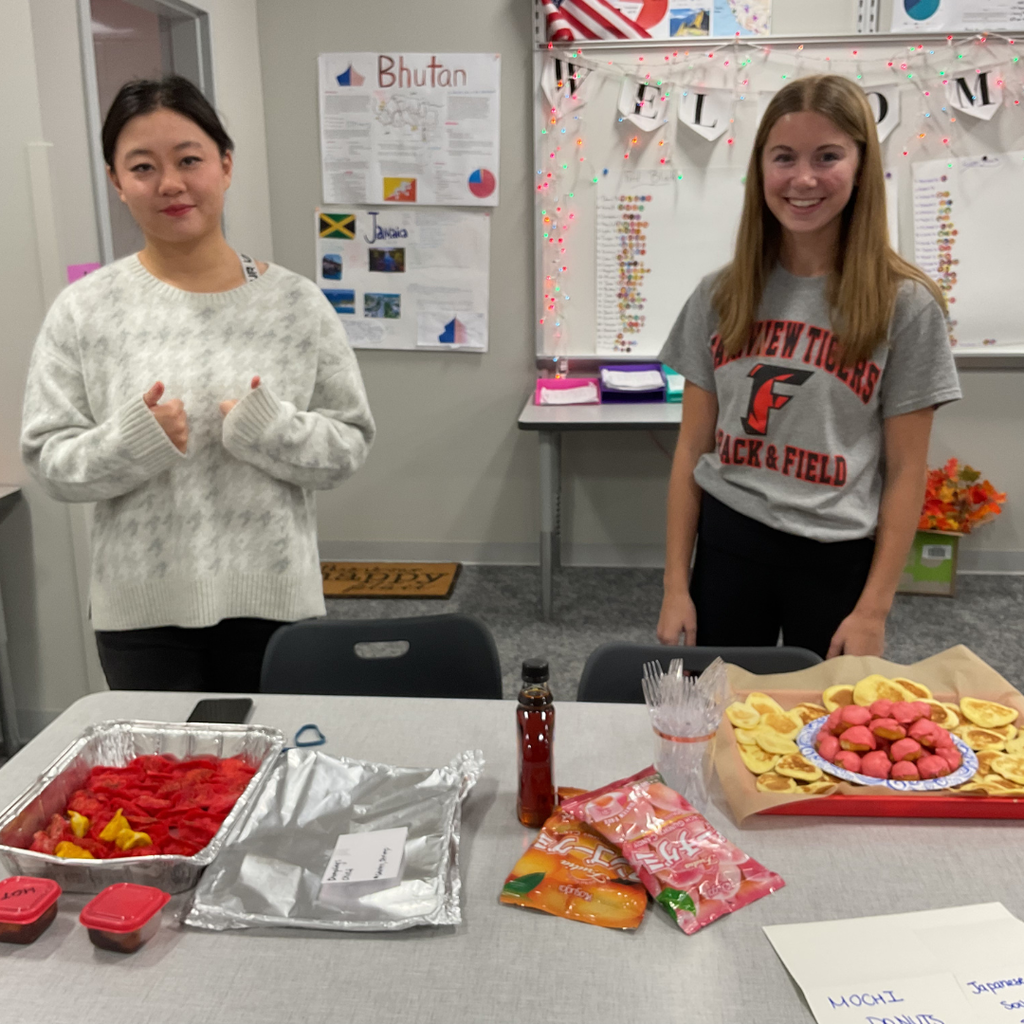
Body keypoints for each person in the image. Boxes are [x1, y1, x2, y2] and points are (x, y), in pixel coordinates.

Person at [21, 76, 375, 691]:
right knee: (163, 784)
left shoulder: (296, 304)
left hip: (276, 604)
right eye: (142, 167)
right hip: (142, 615)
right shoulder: (84, 310)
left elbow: (348, 446)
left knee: (274, 780)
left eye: (189, 160)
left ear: (226, 164)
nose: (170, 184)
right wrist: (131, 441)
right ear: (116, 181)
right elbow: (49, 462)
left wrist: (274, 432)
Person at [656, 74, 960, 660]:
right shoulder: (719, 295)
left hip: (836, 554)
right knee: (715, 723)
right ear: (761, 169)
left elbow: (905, 472)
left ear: (861, 165)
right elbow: (691, 450)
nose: (803, 179)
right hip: (729, 544)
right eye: (784, 157)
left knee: (826, 734)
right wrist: (674, 585)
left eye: (828, 156)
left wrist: (874, 609)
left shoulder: (906, 305)